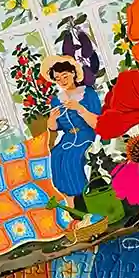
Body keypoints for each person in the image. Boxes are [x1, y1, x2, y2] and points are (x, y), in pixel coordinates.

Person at [40, 55, 101, 206]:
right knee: (57, 156)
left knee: (72, 158)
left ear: (73, 73)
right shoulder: (57, 100)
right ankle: (71, 204)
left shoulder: (88, 93)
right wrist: (52, 119)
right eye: (58, 79)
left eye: (65, 76)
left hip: (86, 134)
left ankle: (86, 199)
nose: (62, 81)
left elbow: (97, 123)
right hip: (68, 137)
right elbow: (55, 128)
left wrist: (79, 108)